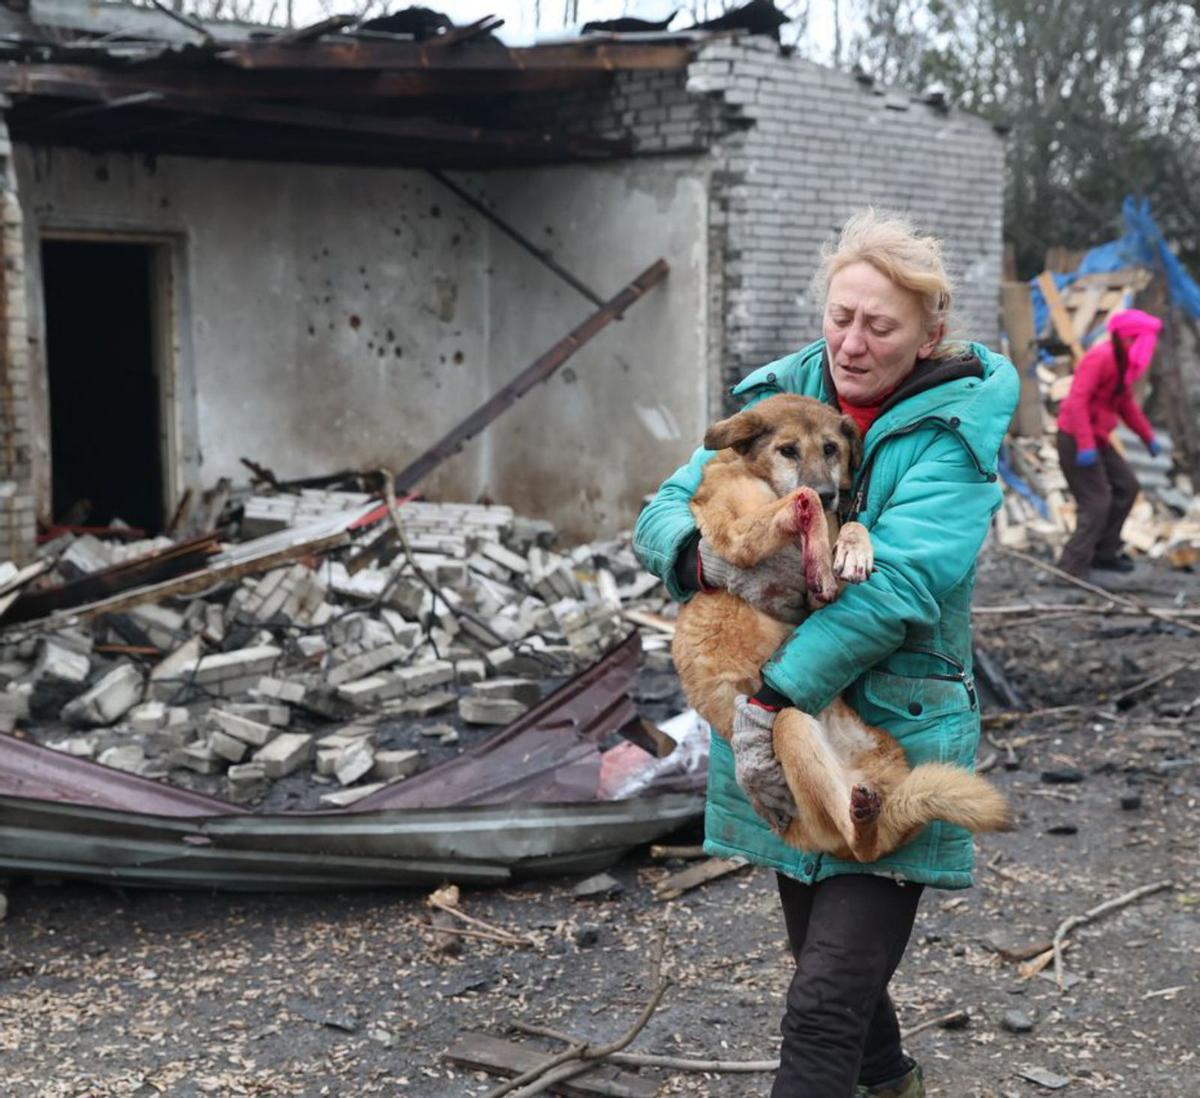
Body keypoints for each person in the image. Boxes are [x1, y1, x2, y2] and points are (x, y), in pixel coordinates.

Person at [633, 209, 1018, 1098]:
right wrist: (705, 560)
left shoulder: (952, 436)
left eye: (879, 325)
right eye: (840, 316)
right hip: (776, 734)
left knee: (820, 1004)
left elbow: (902, 590)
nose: (851, 342)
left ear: (931, 330)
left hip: (885, 731)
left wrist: (771, 697)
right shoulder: (780, 394)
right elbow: (665, 506)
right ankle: (893, 1085)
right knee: (828, 968)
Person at [1055, 308, 1163, 577]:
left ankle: (1104, 553)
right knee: (1096, 502)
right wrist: (1085, 444)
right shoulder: (1100, 358)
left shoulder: (1121, 361)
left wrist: (1147, 436)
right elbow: (1077, 401)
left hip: (1098, 438)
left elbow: (1125, 404)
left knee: (1128, 486)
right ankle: (1071, 567)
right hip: (1075, 438)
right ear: (1128, 339)